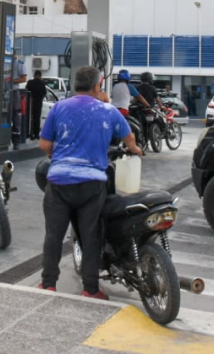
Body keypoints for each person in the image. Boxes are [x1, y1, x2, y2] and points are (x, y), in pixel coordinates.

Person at [37, 65, 142, 298]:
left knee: (53, 235)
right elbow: (129, 136)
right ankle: (90, 288)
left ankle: (48, 284)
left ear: (75, 85)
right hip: (92, 185)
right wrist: (135, 149)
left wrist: (57, 154)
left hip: (59, 182)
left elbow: (44, 144)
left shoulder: (59, 107)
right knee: (91, 235)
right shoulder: (108, 110)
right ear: (97, 86)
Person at [25, 69, 49, 139]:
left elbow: (26, 92)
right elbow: (44, 93)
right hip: (38, 103)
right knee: (37, 118)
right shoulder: (42, 83)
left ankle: (29, 133)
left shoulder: (30, 82)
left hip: (30, 103)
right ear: (40, 76)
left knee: (30, 118)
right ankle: (36, 134)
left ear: (34, 75)